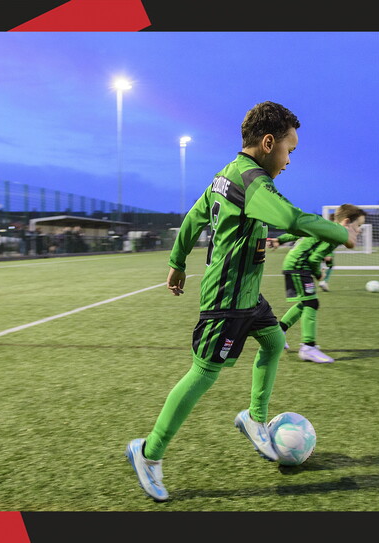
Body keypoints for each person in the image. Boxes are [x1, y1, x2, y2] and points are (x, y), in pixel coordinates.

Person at [125, 101, 359, 502]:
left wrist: (177, 263)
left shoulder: (224, 176)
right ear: (268, 143)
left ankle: (255, 418)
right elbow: (292, 218)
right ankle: (148, 452)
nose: (289, 160)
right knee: (203, 374)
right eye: (290, 149)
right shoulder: (253, 182)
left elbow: (194, 219)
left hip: (248, 296)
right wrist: (340, 233)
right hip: (226, 301)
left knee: (272, 343)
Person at [268, 204, 367, 363]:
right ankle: (308, 347)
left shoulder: (325, 226)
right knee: (311, 303)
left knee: (306, 303)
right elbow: (314, 258)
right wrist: (319, 274)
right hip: (299, 266)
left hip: (296, 265)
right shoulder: (336, 234)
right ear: (347, 222)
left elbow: (299, 233)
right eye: (358, 225)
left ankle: (279, 333)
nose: (360, 230)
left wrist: (279, 240)